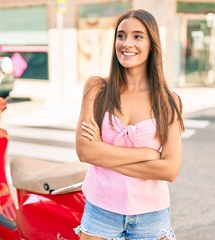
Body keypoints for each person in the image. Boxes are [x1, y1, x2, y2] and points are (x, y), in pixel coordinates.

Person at [75, 9, 184, 240]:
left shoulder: (168, 100)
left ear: (152, 44)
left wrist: (104, 156)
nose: (126, 43)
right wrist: (148, 154)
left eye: (138, 36)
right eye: (121, 35)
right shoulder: (97, 88)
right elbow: (85, 151)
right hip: (101, 211)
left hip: (151, 216)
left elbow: (170, 170)